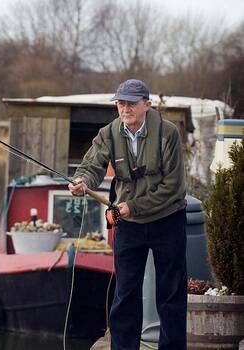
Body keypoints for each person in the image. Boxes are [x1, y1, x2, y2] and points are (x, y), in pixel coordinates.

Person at [68, 79, 187, 350]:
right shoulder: (108, 133)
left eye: (132, 103)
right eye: (121, 103)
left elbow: (173, 187)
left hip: (167, 219)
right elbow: (91, 166)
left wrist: (132, 206)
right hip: (128, 224)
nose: (125, 109)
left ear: (147, 104)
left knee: (171, 294)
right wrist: (81, 182)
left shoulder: (168, 133)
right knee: (125, 294)